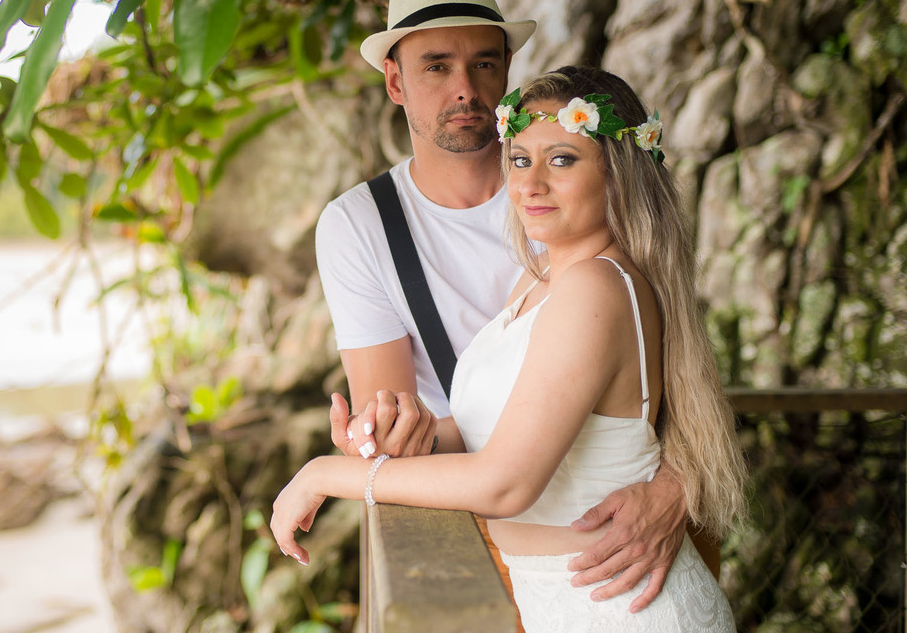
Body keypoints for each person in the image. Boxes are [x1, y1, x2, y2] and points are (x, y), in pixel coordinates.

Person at [274, 65, 748, 630]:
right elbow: (494, 434)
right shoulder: (541, 278)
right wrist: (393, 437)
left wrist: (326, 475)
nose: (530, 184)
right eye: (520, 159)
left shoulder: (594, 289)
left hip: (622, 609)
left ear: (618, 173)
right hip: (561, 601)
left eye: (563, 159)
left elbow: (506, 482)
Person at [313, 0, 692, 607]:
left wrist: (678, 487)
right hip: (470, 531)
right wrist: (373, 440)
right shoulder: (360, 226)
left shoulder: (580, 199)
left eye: (484, 62)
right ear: (395, 81)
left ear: (508, 71)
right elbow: (399, 437)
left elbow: (676, 351)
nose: (466, 88)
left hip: (615, 545)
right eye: (436, 65)